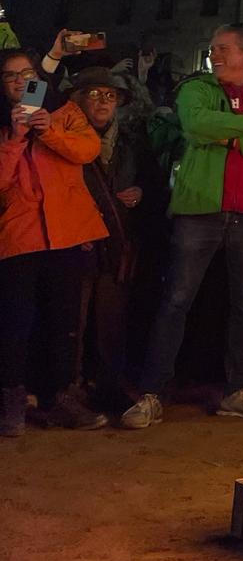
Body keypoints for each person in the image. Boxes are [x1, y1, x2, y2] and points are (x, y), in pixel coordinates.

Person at [121, 24, 243, 429]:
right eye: (213, 48)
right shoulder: (197, 88)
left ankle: (237, 390)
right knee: (176, 300)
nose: (214, 54)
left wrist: (233, 138)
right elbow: (197, 126)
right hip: (200, 210)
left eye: (222, 48)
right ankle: (151, 393)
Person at [0, 50, 111, 435]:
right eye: (10, 75)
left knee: (63, 321)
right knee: (15, 323)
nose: (19, 81)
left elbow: (86, 150)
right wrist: (14, 138)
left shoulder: (62, 112)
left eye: (26, 73)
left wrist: (47, 129)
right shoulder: (5, 125)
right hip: (20, 235)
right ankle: (12, 398)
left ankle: (56, 397)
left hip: (66, 234)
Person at [67, 66, 155, 415]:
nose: (103, 102)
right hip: (79, 241)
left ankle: (107, 385)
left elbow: (153, 181)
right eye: (94, 94)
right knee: (73, 319)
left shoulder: (131, 142)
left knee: (111, 319)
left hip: (118, 243)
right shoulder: (66, 136)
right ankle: (69, 388)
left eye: (111, 95)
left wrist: (142, 192)